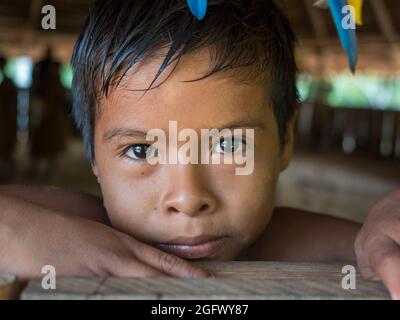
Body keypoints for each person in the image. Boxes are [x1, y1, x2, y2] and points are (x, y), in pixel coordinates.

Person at [0, 0, 399, 299]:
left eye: (227, 144)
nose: (188, 199)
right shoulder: (81, 229)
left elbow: (375, 244)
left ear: (285, 140)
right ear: (94, 159)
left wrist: (385, 214)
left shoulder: (312, 245)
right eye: (140, 151)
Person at [28, 48, 69, 178]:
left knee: (53, 142)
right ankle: (37, 167)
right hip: (44, 117)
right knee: (41, 141)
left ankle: (51, 167)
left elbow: (63, 100)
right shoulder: (42, 85)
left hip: (54, 118)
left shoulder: (57, 85)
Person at [0, 55, 18, 182]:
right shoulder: (7, 82)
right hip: (5, 119)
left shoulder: (8, 82)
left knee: (6, 147)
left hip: (6, 119)